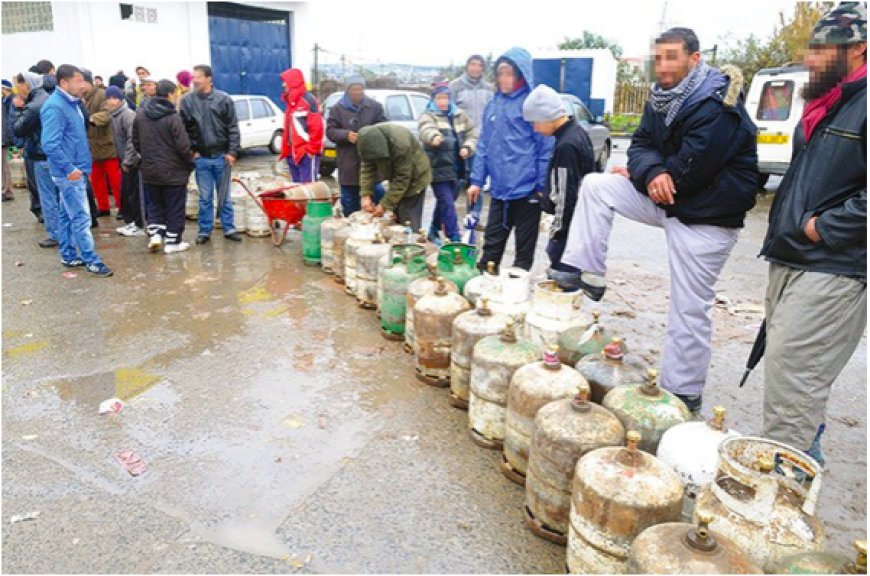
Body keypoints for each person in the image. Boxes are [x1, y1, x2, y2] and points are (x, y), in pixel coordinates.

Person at [562, 28, 757, 415]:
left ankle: (683, 393)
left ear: (694, 59)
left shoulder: (719, 104)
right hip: (667, 199)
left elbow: (691, 169)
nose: (663, 65)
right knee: (597, 185)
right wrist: (648, 171)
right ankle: (589, 273)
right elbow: (639, 145)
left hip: (707, 217)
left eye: (672, 57)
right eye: (659, 57)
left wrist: (645, 173)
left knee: (688, 307)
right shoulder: (661, 97)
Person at [759, 2, 866, 462]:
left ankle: (786, 492)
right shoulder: (826, 103)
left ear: (858, 49)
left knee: (794, 377)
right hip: (793, 256)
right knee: (791, 377)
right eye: (812, 48)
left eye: (824, 50)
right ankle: (802, 458)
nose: (811, 59)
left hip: (834, 265)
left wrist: (825, 227)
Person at [466, 47, 554, 272]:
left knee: (523, 253)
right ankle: (485, 285)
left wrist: (542, 185)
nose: (504, 79)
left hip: (527, 191)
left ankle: (515, 295)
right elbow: (484, 144)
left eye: (509, 73)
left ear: (521, 75)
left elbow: (545, 147)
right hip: (499, 190)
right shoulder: (493, 104)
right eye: (500, 73)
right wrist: (476, 180)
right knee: (491, 247)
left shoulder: (531, 104)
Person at [40, 64, 112, 277]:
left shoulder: (71, 103)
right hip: (69, 172)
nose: (83, 85)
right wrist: (70, 168)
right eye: (78, 81)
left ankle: (69, 254)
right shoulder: (55, 107)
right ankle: (92, 260)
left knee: (66, 215)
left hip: (76, 169)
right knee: (81, 217)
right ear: (64, 83)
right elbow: (50, 144)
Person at [522, 84, 595, 285]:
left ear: (547, 116)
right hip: (579, 223)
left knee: (563, 280)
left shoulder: (567, 146)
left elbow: (565, 195)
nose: (535, 128)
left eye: (535, 122)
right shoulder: (577, 133)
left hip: (569, 230)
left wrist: (557, 233)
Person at [179, 64, 242, 245]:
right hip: (202, 158)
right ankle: (204, 230)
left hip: (222, 156)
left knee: (224, 196)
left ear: (209, 78)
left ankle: (229, 228)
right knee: (205, 197)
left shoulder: (224, 99)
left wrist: (232, 152)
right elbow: (183, 129)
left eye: (198, 76)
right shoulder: (188, 101)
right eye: (193, 77)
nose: (195, 80)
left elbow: (233, 127)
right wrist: (192, 151)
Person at [133, 79, 195, 254]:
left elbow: (136, 141)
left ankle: (156, 234)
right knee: (174, 206)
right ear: (170, 95)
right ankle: (173, 241)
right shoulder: (172, 117)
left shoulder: (141, 115)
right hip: (173, 171)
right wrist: (190, 163)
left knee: (155, 204)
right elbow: (183, 146)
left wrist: (147, 157)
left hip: (150, 169)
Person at [418, 81, 478, 244]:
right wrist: (434, 137)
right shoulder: (429, 115)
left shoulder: (460, 115)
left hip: (458, 167)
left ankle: (433, 229)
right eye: (439, 98)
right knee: (447, 202)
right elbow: (426, 129)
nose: (443, 102)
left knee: (447, 201)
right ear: (433, 99)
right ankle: (454, 236)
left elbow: (472, 133)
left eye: (445, 98)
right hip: (437, 167)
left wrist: (467, 147)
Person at [325, 75, 387, 216]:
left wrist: (370, 136)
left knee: (378, 196)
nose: (357, 92)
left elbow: (383, 127)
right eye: (354, 89)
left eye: (360, 89)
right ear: (347, 90)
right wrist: (346, 135)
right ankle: (351, 228)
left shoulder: (374, 107)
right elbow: (330, 131)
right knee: (349, 203)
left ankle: (373, 229)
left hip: (371, 161)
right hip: (348, 163)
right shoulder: (337, 109)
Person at [13, 71, 60, 247]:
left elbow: (18, 129)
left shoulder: (33, 106)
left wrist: (18, 109)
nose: (19, 89)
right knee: (59, 195)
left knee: (48, 196)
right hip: (55, 154)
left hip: (41, 155)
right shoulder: (50, 98)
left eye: (20, 85)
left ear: (28, 84)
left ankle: (55, 234)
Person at [357, 123, 431, 230]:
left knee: (407, 217)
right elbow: (367, 168)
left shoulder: (401, 143)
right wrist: (365, 195)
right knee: (395, 216)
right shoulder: (367, 142)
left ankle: (411, 241)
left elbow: (402, 178)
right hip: (396, 176)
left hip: (415, 179)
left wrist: (384, 205)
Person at [450, 54, 494, 224]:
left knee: (477, 181)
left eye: (479, 65)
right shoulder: (456, 87)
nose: (476, 68)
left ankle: (473, 217)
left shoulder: (488, 89)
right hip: (460, 142)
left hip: (482, 142)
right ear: (467, 66)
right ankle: (446, 216)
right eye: (473, 64)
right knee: (458, 181)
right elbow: (448, 112)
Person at [82, 69, 122, 218]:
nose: (80, 86)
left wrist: (91, 119)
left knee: (115, 181)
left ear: (89, 82)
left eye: (82, 83)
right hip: (91, 148)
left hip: (107, 145)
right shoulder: (80, 97)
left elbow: (107, 114)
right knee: (97, 181)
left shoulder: (101, 95)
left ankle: (121, 207)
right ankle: (103, 207)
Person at [105, 86, 144, 237]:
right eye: (108, 98)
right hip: (124, 159)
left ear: (121, 99)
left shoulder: (127, 115)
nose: (111, 101)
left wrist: (128, 161)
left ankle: (139, 224)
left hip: (133, 162)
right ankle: (131, 222)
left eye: (114, 98)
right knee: (126, 193)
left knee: (134, 194)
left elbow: (132, 139)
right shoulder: (114, 115)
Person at [279, 68, 323, 183]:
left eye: (286, 81)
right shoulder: (290, 103)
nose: (284, 85)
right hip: (292, 154)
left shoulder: (309, 101)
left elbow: (317, 128)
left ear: (293, 82)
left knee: (309, 190)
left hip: (306, 154)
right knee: (297, 191)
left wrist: (311, 150)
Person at [2, 79, 14, 202]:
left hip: (4, 138)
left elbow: (5, 122)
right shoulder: (4, 101)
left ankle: (7, 190)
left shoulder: (10, 101)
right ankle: (5, 189)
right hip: (6, 136)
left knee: (5, 166)